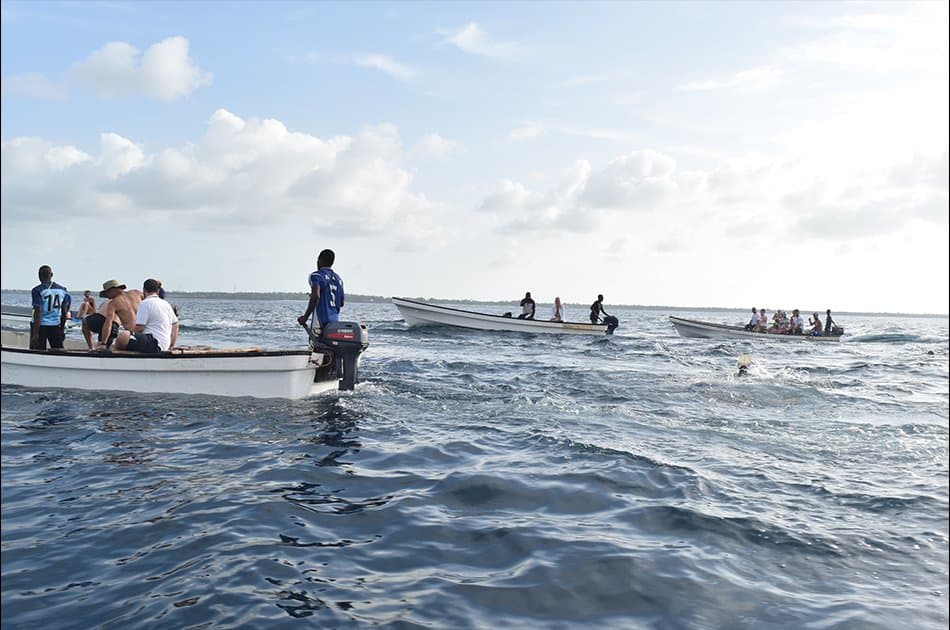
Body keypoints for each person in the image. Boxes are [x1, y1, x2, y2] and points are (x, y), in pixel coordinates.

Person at [114, 279, 179, 353]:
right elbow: (175, 325)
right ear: (158, 291)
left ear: (144, 290)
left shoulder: (144, 303)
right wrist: (171, 345)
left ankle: (116, 352)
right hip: (165, 344)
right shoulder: (166, 304)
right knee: (128, 336)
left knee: (123, 335)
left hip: (153, 343)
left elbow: (140, 328)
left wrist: (130, 336)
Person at [84, 279, 143, 350]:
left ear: (113, 290)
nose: (108, 297)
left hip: (131, 336)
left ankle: (92, 347)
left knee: (85, 321)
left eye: (107, 293)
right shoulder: (137, 293)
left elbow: (108, 323)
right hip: (143, 334)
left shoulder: (113, 303)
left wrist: (103, 343)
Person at [298, 249, 345, 334]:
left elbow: (316, 296)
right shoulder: (339, 279)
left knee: (316, 346)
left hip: (320, 323)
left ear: (319, 260)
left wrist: (305, 317)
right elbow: (341, 303)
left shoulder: (316, 276)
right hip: (334, 325)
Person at [30, 265, 72, 350]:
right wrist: (62, 329)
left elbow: (38, 312)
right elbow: (64, 312)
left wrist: (35, 335)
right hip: (55, 325)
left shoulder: (37, 290)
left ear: (39, 275)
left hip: (40, 326)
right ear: (51, 274)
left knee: (37, 352)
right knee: (58, 351)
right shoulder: (63, 291)